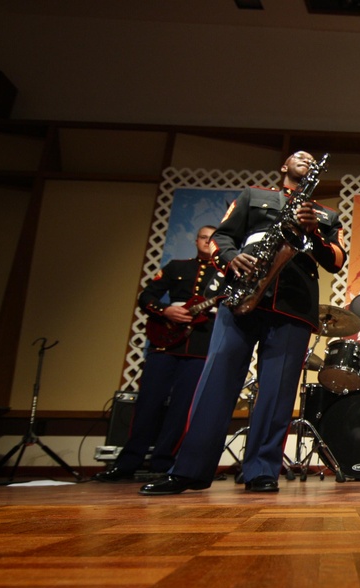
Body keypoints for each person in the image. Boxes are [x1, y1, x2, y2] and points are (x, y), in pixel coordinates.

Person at [139, 151, 347, 495]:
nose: (305, 159)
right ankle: (189, 470)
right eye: (298, 155)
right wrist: (234, 259)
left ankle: (261, 471)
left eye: (310, 158)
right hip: (240, 299)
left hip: (292, 307)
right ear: (284, 166)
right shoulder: (254, 195)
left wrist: (314, 231)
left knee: (277, 395)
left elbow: (337, 260)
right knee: (215, 387)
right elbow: (222, 238)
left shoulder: (326, 214)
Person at [94, 226, 222, 482]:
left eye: (213, 239)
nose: (208, 243)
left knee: (181, 410)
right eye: (204, 238)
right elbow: (146, 297)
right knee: (147, 404)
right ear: (196, 240)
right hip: (165, 342)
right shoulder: (176, 267)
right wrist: (165, 311)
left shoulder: (224, 276)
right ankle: (128, 462)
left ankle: (164, 464)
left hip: (198, 347)